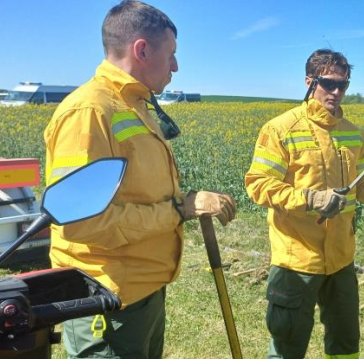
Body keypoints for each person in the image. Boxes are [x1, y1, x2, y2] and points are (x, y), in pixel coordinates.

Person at [44, 1, 236, 358]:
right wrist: (179, 212)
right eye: (172, 54)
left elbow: (140, 189)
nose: (176, 66)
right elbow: (80, 223)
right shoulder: (89, 113)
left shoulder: (134, 106)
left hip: (141, 290)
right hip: (106, 300)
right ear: (142, 50)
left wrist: (185, 201)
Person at [245, 49, 364, 359]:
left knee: (346, 345)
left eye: (343, 85)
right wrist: (309, 198)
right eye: (329, 84)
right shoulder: (280, 129)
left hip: (341, 260)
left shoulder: (353, 134)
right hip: (297, 260)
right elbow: (258, 184)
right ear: (309, 81)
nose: (336, 92)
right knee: (287, 346)